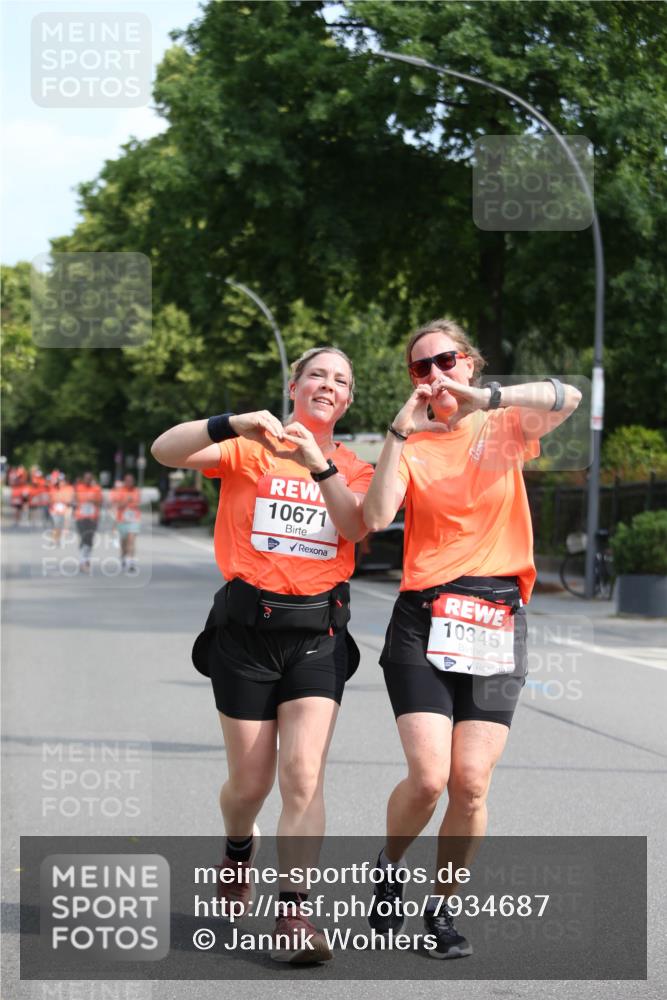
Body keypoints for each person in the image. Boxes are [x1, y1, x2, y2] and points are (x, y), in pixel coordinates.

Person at [362, 318, 581, 959]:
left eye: (445, 361)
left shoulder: (506, 425)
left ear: (471, 363)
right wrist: (400, 433)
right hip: (424, 618)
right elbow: (374, 519)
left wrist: (490, 399)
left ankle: (442, 912)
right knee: (430, 779)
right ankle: (390, 862)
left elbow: (567, 397)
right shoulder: (413, 442)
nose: (434, 375)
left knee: (472, 784)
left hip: (495, 618)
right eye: (420, 368)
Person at [151, 347, 373, 964]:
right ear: (293, 386)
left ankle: (295, 914)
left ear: (347, 399)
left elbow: (356, 528)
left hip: (318, 638)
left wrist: (319, 464)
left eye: (341, 380)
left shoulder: (355, 467)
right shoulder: (250, 450)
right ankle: (237, 845)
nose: (329, 385)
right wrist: (233, 423)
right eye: (318, 375)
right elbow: (165, 451)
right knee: (250, 783)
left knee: (303, 774)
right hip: (245, 636)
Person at [73, 472, 103, 573]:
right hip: (80, 517)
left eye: (89, 478)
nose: (88, 480)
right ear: (83, 479)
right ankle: (83, 561)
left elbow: (100, 502)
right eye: (86, 478)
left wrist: (92, 500)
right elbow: (73, 500)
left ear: (92, 479)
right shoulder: (78, 488)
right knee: (83, 537)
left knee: (89, 539)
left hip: (93, 517)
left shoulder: (96, 489)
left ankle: (86, 558)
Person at [111, 474, 142, 573]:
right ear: (125, 481)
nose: (130, 483)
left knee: (131, 540)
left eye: (131, 481)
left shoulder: (136, 491)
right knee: (123, 542)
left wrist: (131, 502)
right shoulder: (120, 491)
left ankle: (131, 561)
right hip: (122, 519)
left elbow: (138, 503)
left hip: (134, 519)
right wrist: (126, 501)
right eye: (127, 481)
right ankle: (123, 557)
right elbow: (117, 505)